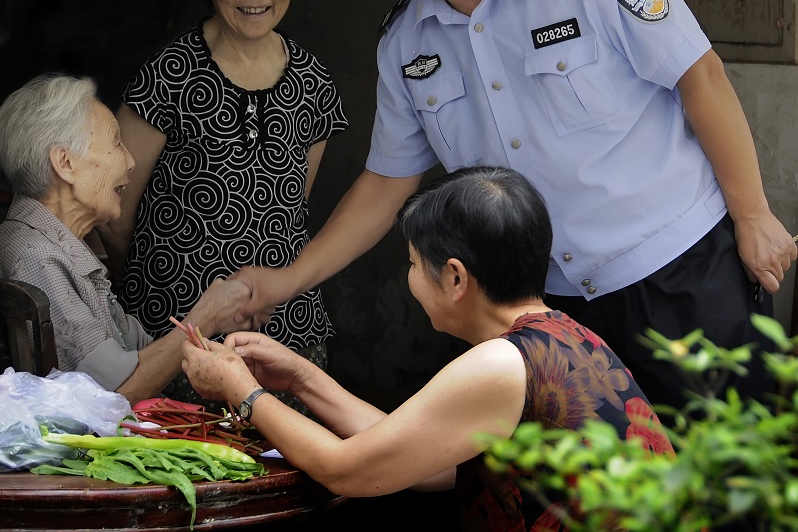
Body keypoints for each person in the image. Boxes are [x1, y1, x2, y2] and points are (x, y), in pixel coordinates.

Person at [230, 0, 797, 411]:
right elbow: (386, 183)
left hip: (678, 271)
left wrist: (751, 214)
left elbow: (698, 76)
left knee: (726, 479)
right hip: (548, 312)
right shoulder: (404, 42)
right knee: (586, 494)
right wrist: (286, 280)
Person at [183, 166, 674, 531]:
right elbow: (428, 462)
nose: (410, 278)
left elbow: (346, 471)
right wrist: (300, 377)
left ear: (456, 277)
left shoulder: (501, 364)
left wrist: (242, 391)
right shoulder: (563, 334)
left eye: (414, 263)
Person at [97, 0, 349, 411]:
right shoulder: (170, 74)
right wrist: (156, 278)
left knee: (289, 477)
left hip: (284, 335)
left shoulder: (314, 81)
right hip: (174, 334)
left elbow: (293, 206)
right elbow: (112, 207)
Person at [0, 73, 251, 404]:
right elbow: (114, 392)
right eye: (116, 143)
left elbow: (139, 353)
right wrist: (205, 317)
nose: (131, 162)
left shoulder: (57, 246)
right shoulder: (35, 256)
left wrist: (213, 340)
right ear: (65, 163)